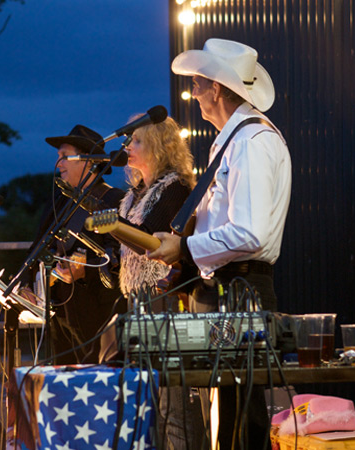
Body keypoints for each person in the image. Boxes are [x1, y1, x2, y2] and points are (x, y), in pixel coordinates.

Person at [148, 39, 292, 448]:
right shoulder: (237, 140)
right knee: (229, 410)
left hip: (239, 289)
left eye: (197, 84)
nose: (193, 94)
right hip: (229, 287)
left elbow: (249, 233)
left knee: (239, 413)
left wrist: (185, 250)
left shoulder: (250, 142)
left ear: (216, 88)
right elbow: (231, 227)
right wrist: (188, 266)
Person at [114, 115, 198, 449]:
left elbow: (154, 242)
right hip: (138, 301)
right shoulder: (134, 194)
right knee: (150, 407)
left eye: (136, 140)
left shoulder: (175, 187)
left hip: (166, 298)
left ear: (158, 145)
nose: (128, 147)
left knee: (173, 404)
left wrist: (113, 225)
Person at [20, 124, 125, 364]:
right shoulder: (61, 198)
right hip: (58, 309)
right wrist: (26, 282)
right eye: (59, 157)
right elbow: (37, 245)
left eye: (65, 157)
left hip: (94, 311)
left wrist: (84, 269)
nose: (59, 164)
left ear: (88, 162)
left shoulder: (112, 199)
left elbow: (115, 255)